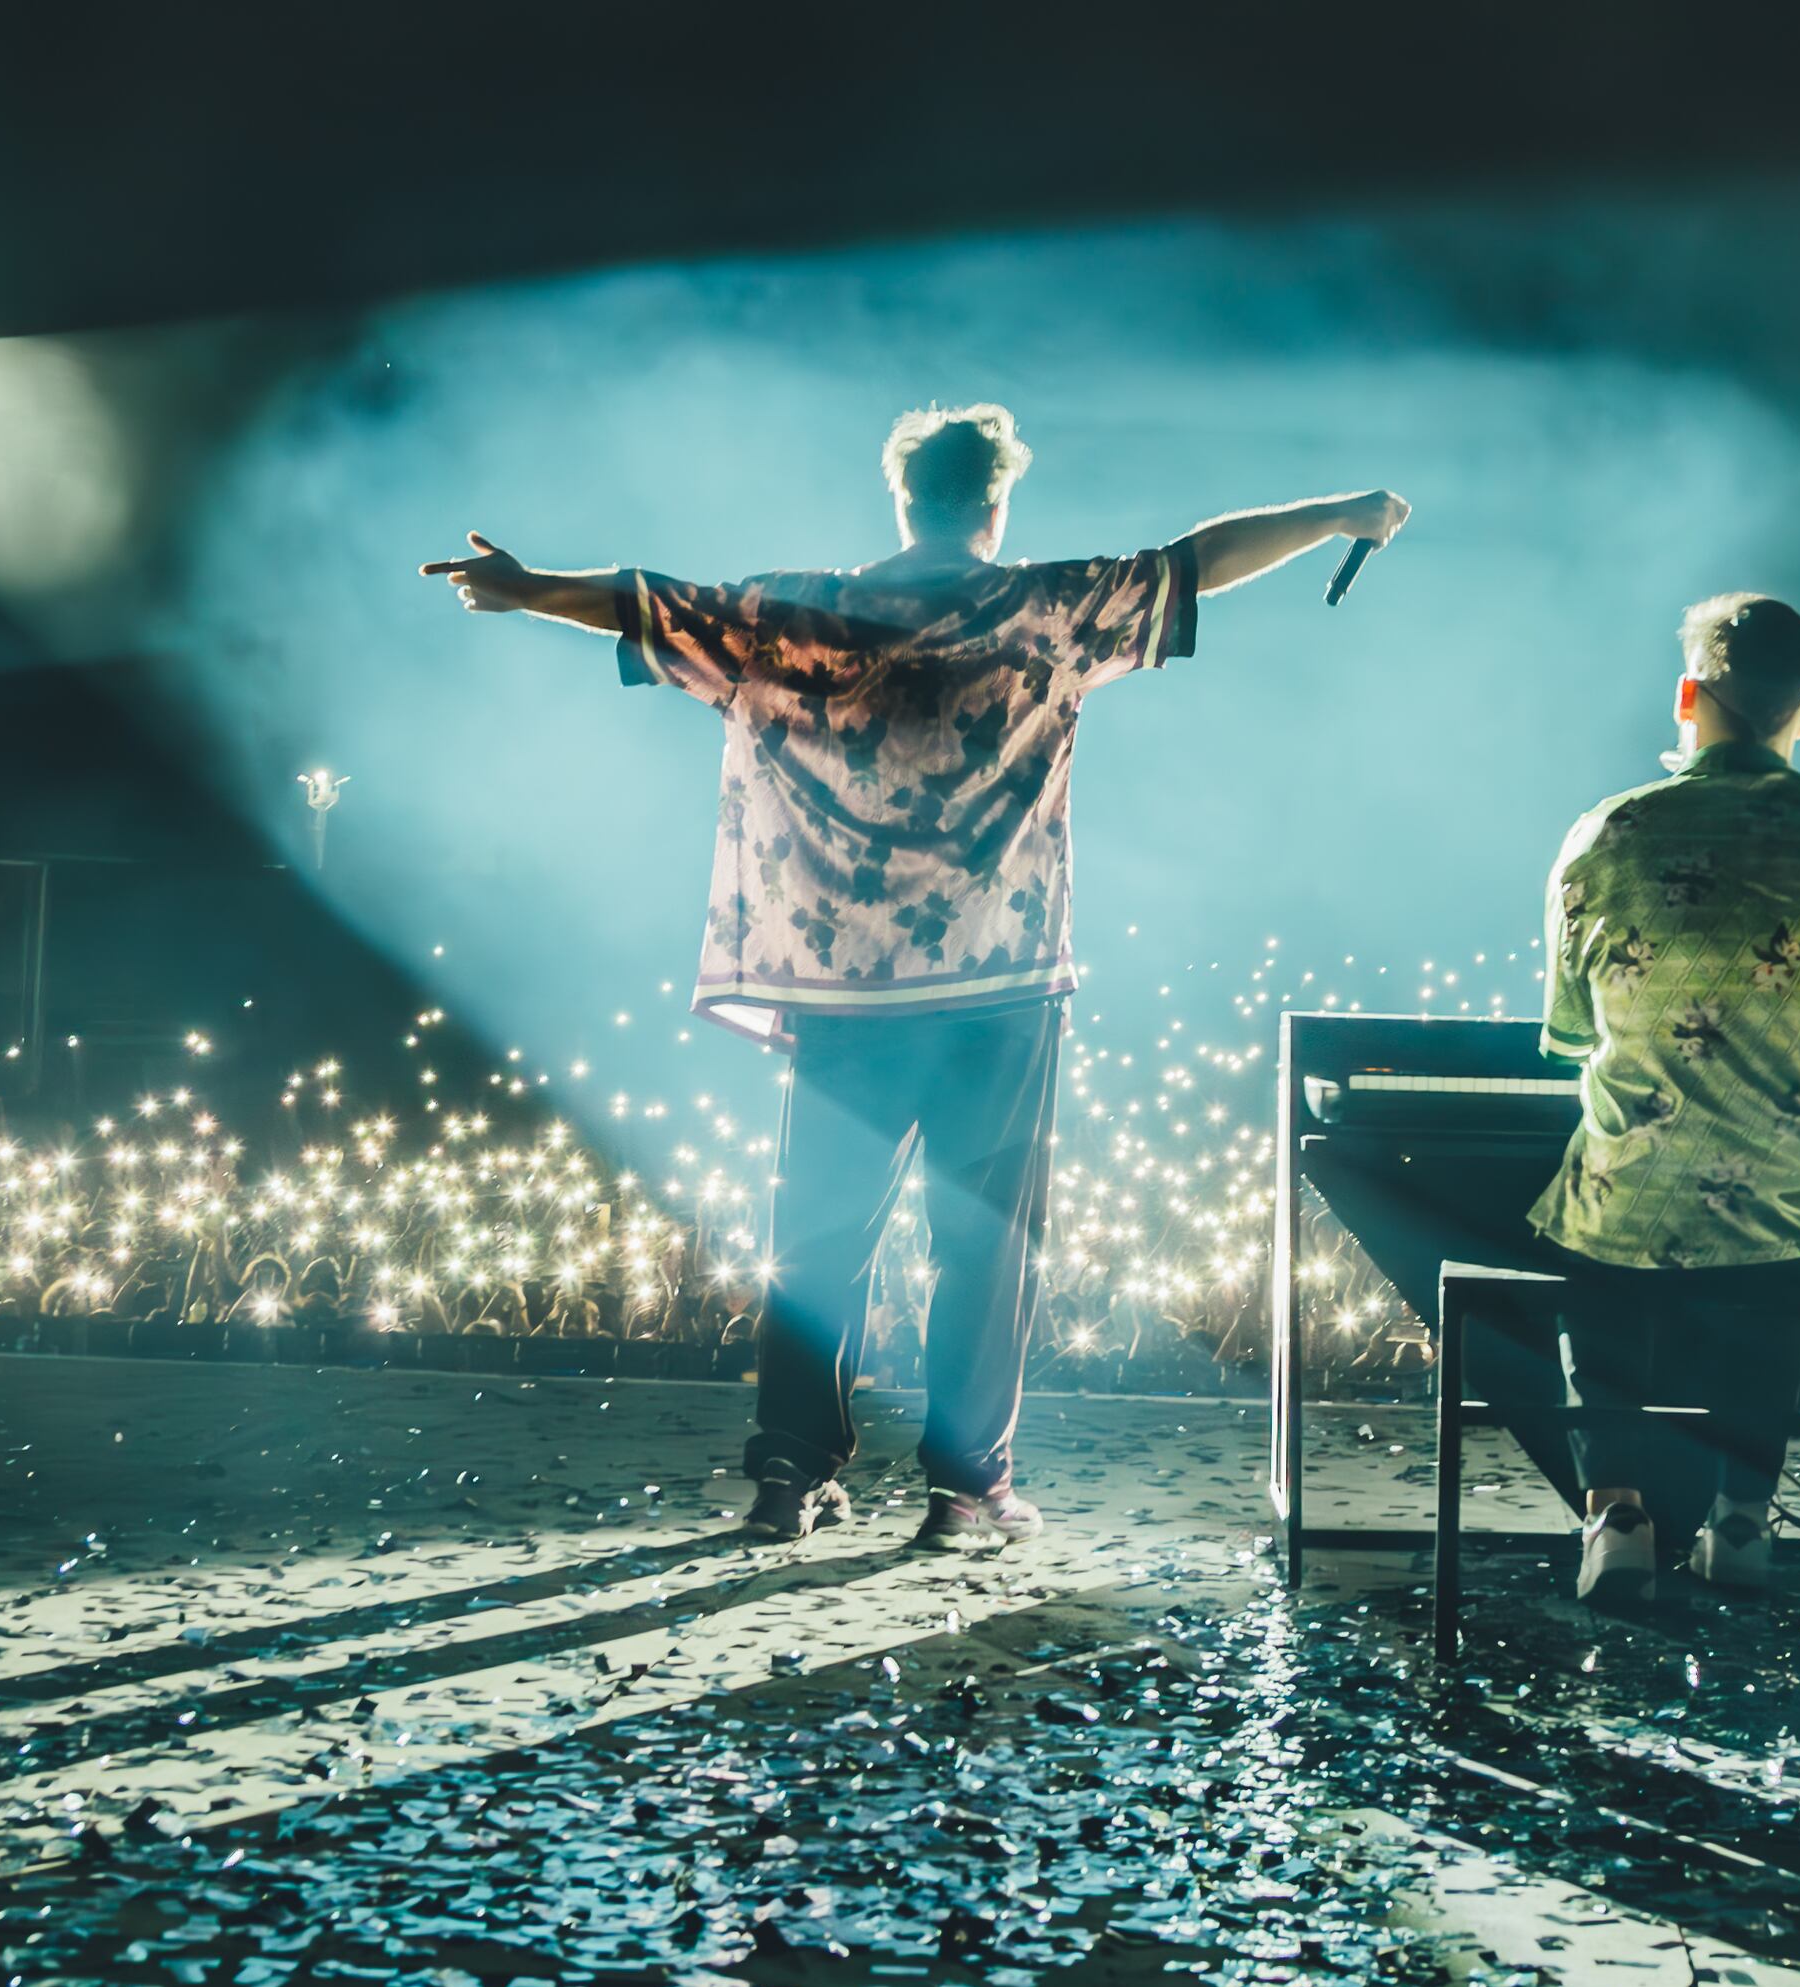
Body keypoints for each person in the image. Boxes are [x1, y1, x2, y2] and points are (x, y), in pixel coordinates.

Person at [425, 404, 1405, 1549]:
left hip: (844, 993)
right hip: (1000, 986)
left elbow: (648, 598)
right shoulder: (1045, 608)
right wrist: (1340, 512)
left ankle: (788, 1477)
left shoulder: (801, 611)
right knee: (984, 1244)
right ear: (996, 501)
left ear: (902, 497)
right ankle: (961, 1489)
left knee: (818, 1238)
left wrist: (527, 585)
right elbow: (1204, 560)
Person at [1526, 591, 1800, 1597]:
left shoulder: (1604, 834)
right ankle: (1740, 1513)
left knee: (1600, 1229)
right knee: (1785, 1245)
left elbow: (1569, 1030)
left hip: (1641, 1199)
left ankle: (1614, 1511)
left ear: (1685, 697)